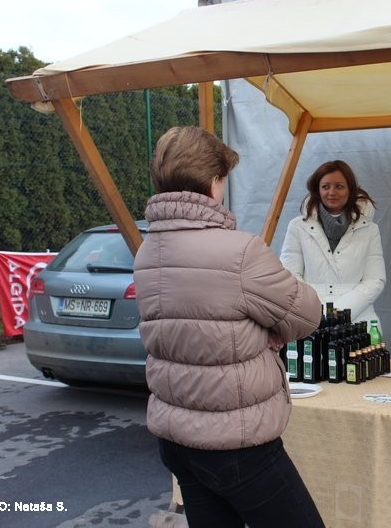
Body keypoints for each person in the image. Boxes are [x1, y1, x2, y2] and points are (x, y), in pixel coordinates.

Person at [133, 126, 325, 528]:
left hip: (177, 438)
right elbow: (307, 314)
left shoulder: (148, 251)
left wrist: (254, 326)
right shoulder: (240, 251)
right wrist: (267, 331)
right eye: (223, 178)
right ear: (213, 182)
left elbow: (189, 331)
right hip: (236, 443)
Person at [280, 160, 386, 325]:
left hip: (358, 319)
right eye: (325, 186)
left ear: (350, 189)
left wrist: (340, 312)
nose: (332, 192)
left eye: (339, 186)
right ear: (317, 190)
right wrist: (319, 311)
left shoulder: (370, 230)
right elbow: (290, 275)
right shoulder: (297, 226)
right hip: (310, 317)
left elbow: (375, 279)